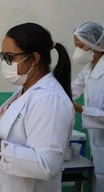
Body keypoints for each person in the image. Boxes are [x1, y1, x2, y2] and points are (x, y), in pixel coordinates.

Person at [0, 23, 75, 192]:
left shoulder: (50, 100)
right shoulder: (25, 90)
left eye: (10, 57)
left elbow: (47, 165)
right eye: (3, 57)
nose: (5, 63)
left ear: (35, 59)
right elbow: (17, 133)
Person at [72, 21, 104, 192]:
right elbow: (75, 87)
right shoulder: (88, 67)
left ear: (96, 43)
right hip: (98, 141)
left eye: (81, 46)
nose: (77, 51)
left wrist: (79, 109)